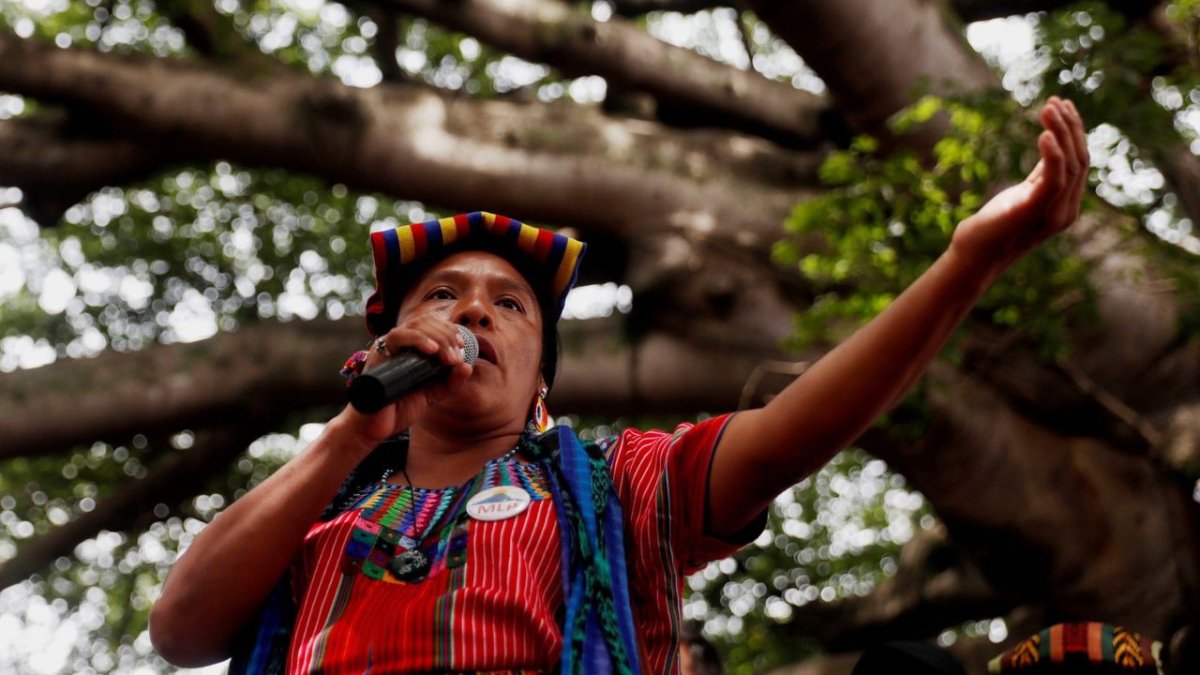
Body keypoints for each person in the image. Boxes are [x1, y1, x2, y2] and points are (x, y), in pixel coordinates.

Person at [148, 97, 1089, 673]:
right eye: (442, 296)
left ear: (542, 386)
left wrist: (967, 262)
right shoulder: (322, 512)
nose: (472, 314)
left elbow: (795, 427)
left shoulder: (617, 487)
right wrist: (350, 435)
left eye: (509, 305)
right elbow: (182, 630)